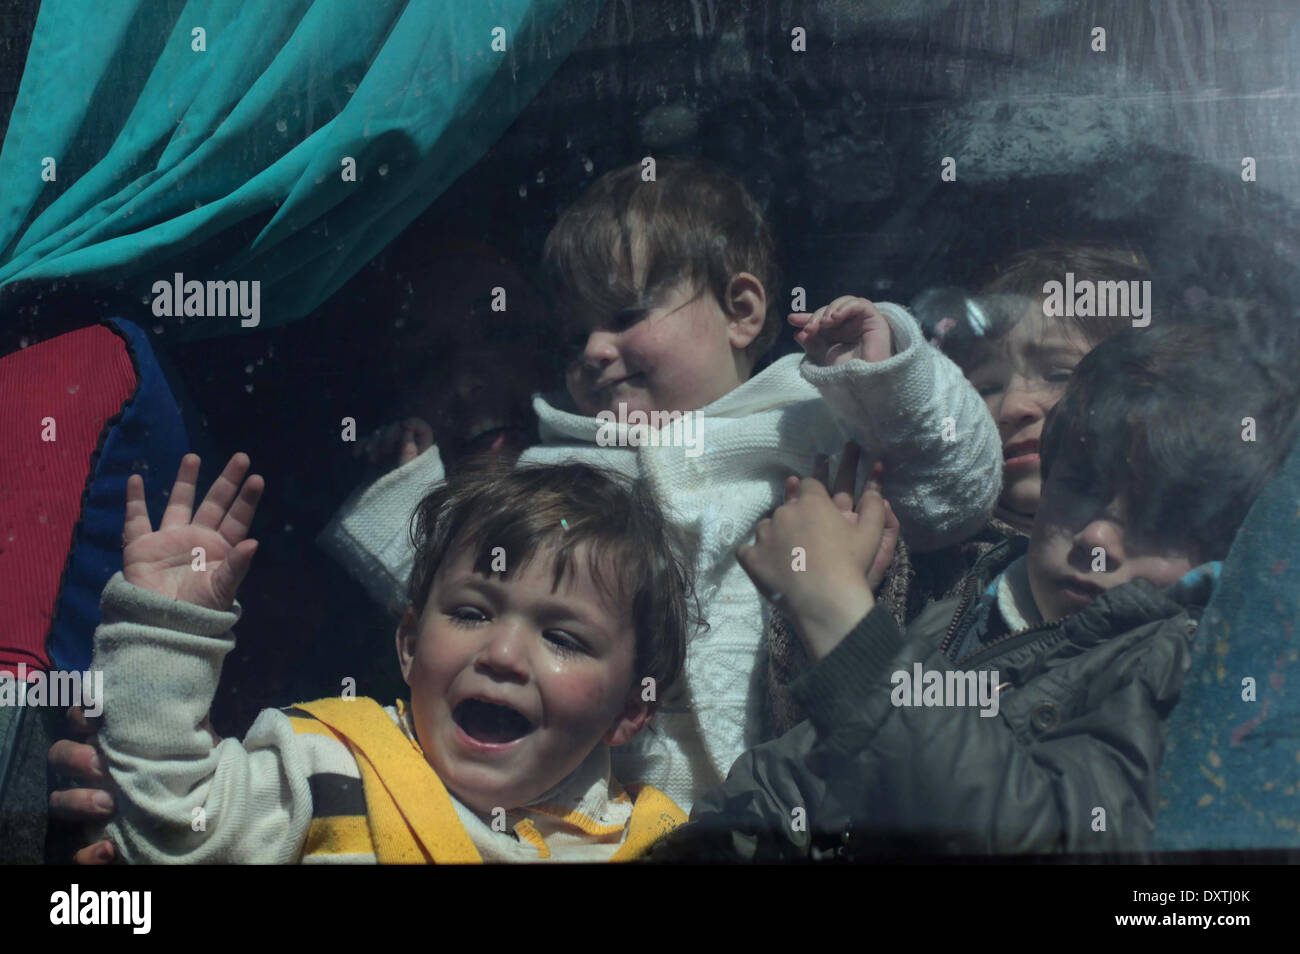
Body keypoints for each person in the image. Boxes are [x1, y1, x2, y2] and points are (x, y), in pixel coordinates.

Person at [316, 158, 1002, 810]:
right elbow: (468, 597)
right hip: (598, 821)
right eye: (574, 335)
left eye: (623, 316)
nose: (593, 351)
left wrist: (886, 378)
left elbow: (957, 491)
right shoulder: (560, 468)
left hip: (786, 805)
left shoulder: (812, 414)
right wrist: (405, 495)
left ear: (742, 310)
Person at [649, 316, 1300, 858]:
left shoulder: (1179, 666)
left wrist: (842, 622)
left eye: (1164, 519)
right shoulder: (970, 594)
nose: (1098, 542)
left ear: (1236, 544)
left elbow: (1041, 837)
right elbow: (800, 775)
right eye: (1077, 485)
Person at [91, 454, 691, 862]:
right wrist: (166, 630)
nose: (503, 654)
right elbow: (174, 822)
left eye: (562, 638)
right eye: (472, 613)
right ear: (408, 646)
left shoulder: (656, 842)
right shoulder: (326, 770)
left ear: (630, 712)